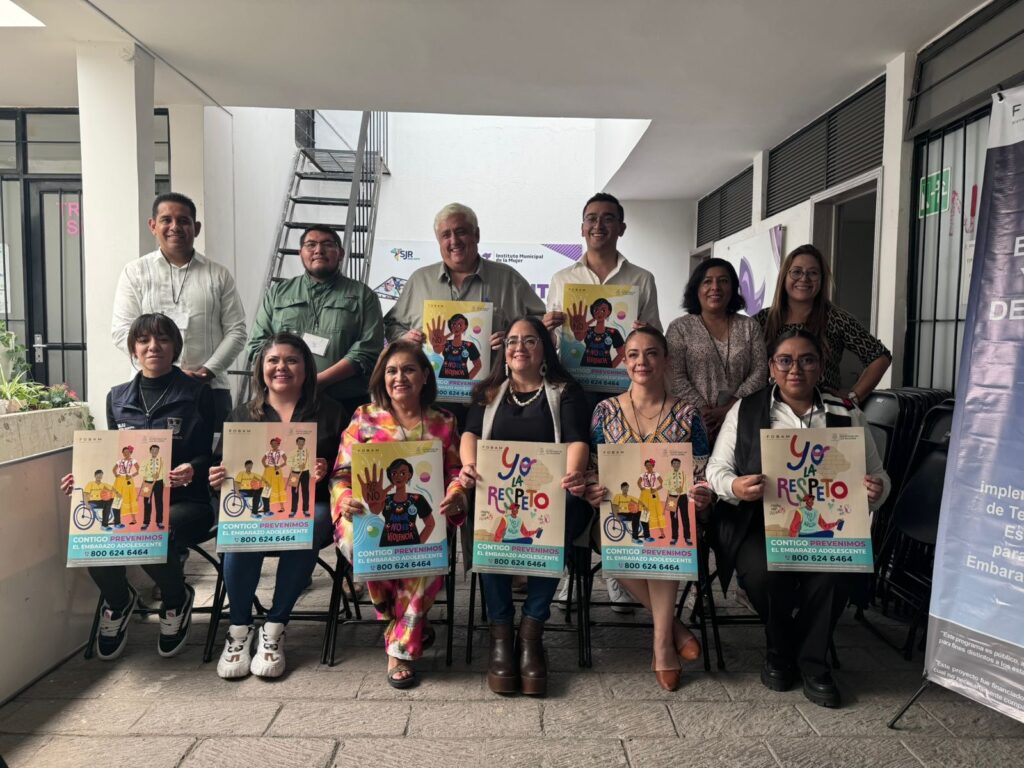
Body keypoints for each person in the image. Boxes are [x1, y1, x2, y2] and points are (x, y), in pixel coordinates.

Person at [706, 328, 891, 708]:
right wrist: (736, 486)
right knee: (762, 573)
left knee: (834, 573)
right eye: (785, 360)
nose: (796, 369)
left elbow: (879, 475)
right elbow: (715, 470)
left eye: (807, 360)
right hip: (760, 523)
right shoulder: (746, 410)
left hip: (827, 526)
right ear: (771, 366)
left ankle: (812, 664)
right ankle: (781, 650)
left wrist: (876, 491)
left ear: (821, 366)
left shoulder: (846, 412)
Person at [60, 313, 215, 660]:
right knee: (95, 533)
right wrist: (82, 480)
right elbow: (113, 457)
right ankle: (118, 602)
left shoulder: (197, 394)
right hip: (135, 498)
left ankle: (175, 600)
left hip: (188, 501)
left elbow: (212, 454)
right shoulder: (116, 398)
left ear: (175, 346)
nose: (153, 347)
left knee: (152, 530)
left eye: (162, 339)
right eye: (144, 340)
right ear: (133, 348)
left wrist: (194, 468)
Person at [459, 316, 590, 697]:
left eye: (530, 340)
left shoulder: (565, 392)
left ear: (544, 348)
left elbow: (577, 439)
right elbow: (469, 434)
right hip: (499, 498)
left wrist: (573, 474)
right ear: (503, 350)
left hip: (549, 496)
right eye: (513, 341)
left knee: (565, 507)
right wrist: (469, 466)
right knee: (484, 515)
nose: (520, 347)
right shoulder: (487, 392)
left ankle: (532, 631)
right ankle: (501, 633)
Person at [209, 332, 347, 679]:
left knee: (309, 522)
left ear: (306, 368)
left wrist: (327, 469)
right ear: (261, 368)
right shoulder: (242, 415)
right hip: (258, 503)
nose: (281, 367)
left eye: (291, 360)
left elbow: (347, 468)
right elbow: (222, 468)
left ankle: (275, 626)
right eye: (273, 360)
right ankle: (239, 629)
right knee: (239, 529)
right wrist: (217, 477)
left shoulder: (331, 412)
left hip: (310, 503)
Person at [333, 341, 467, 689]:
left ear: (425, 376)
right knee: (363, 544)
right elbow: (341, 474)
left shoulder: (443, 421)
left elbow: (455, 471)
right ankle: (408, 624)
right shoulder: (364, 417)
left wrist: (456, 494)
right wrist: (345, 498)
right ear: (382, 377)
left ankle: (399, 649)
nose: (399, 377)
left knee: (428, 548)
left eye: (408, 369)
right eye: (391, 371)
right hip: (367, 513)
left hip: (423, 512)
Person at [587, 327, 713, 691]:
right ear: (625, 362)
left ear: (666, 360)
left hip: (669, 514)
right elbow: (592, 467)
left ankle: (661, 645)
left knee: (662, 535)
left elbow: (701, 472)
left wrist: (702, 492)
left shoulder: (688, 415)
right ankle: (673, 628)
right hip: (616, 515)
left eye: (652, 353)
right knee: (618, 541)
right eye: (633, 354)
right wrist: (592, 488)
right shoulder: (604, 411)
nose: (642, 361)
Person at [384, 203, 545, 406]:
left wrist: (513, 339)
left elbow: (540, 325)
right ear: (439, 241)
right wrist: (404, 339)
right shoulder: (419, 281)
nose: (454, 241)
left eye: (461, 232)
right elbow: (392, 325)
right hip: (429, 401)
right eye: (446, 235)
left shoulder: (508, 279)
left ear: (476, 235)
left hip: (492, 399)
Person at [111, 192, 247, 433]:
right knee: (148, 453)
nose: (175, 227)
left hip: (209, 388)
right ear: (153, 226)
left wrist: (207, 371)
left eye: (183, 221)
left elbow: (237, 331)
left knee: (213, 454)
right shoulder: (135, 273)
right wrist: (162, 370)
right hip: (149, 391)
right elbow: (122, 331)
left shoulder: (218, 275)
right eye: (166, 220)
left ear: (196, 228)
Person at [246, 224, 384, 416]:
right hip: (284, 403)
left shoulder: (363, 296)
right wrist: (288, 380)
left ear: (341, 253)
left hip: (345, 402)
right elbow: (257, 345)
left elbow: (368, 350)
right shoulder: (278, 294)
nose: (319, 250)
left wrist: (319, 381)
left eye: (327, 244)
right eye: (311, 244)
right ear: (300, 253)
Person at [754, 245, 890, 403]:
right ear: (784, 276)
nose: (804, 278)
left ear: (822, 279)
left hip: (822, 411)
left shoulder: (836, 319)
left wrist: (853, 397)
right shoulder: (763, 320)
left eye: (813, 273)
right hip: (770, 409)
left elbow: (880, 356)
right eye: (796, 272)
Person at [666, 257, 767, 441]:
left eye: (723, 281)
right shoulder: (679, 328)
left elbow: (760, 371)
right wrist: (704, 412)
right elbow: (675, 376)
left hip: (741, 419)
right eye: (707, 282)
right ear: (696, 289)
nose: (715, 287)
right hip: (690, 421)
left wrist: (730, 408)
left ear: (733, 288)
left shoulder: (749, 326)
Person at [544, 193, 661, 336]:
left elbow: (655, 336)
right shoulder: (561, 279)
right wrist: (545, 330)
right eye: (591, 219)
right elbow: (555, 340)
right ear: (582, 228)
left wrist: (649, 332)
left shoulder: (643, 279)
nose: (598, 225)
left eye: (608, 219)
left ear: (621, 228)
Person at [430, 313, 482, 380]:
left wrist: (466, 381)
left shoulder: (469, 345)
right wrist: (436, 343)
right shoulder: (445, 342)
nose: (456, 327)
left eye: (460, 325)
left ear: (465, 327)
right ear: (450, 326)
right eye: (454, 324)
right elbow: (437, 351)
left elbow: (478, 365)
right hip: (444, 382)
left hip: (461, 384)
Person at [112, 446, 140, 527]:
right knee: (117, 498)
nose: (126, 453)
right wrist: (116, 475)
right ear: (122, 453)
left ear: (130, 452)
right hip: (119, 480)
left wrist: (131, 476)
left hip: (128, 480)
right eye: (124, 452)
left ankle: (134, 519)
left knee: (131, 498)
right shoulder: (119, 461)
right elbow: (113, 469)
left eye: (127, 452)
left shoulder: (133, 460)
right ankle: (116, 519)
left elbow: (139, 470)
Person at [140, 444, 165, 530]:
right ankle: (146, 522)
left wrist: (163, 481)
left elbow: (163, 471)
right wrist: (150, 475)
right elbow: (141, 471)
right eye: (153, 450)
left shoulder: (161, 460)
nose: (155, 452)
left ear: (158, 451)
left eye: (156, 450)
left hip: (159, 482)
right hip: (147, 482)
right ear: (150, 451)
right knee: (147, 503)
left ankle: (159, 521)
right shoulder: (145, 460)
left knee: (159, 502)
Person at [289, 436, 311, 518]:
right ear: (296, 443)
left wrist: (309, 471)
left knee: (305, 491)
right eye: (299, 442)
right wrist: (297, 465)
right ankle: (293, 510)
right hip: (294, 473)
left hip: (305, 472)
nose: (301, 444)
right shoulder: (292, 452)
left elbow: (309, 462)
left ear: (304, 443)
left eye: (302, 442)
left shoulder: (307, 451)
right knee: (294, 492)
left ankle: (306, 510)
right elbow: (288, 462)